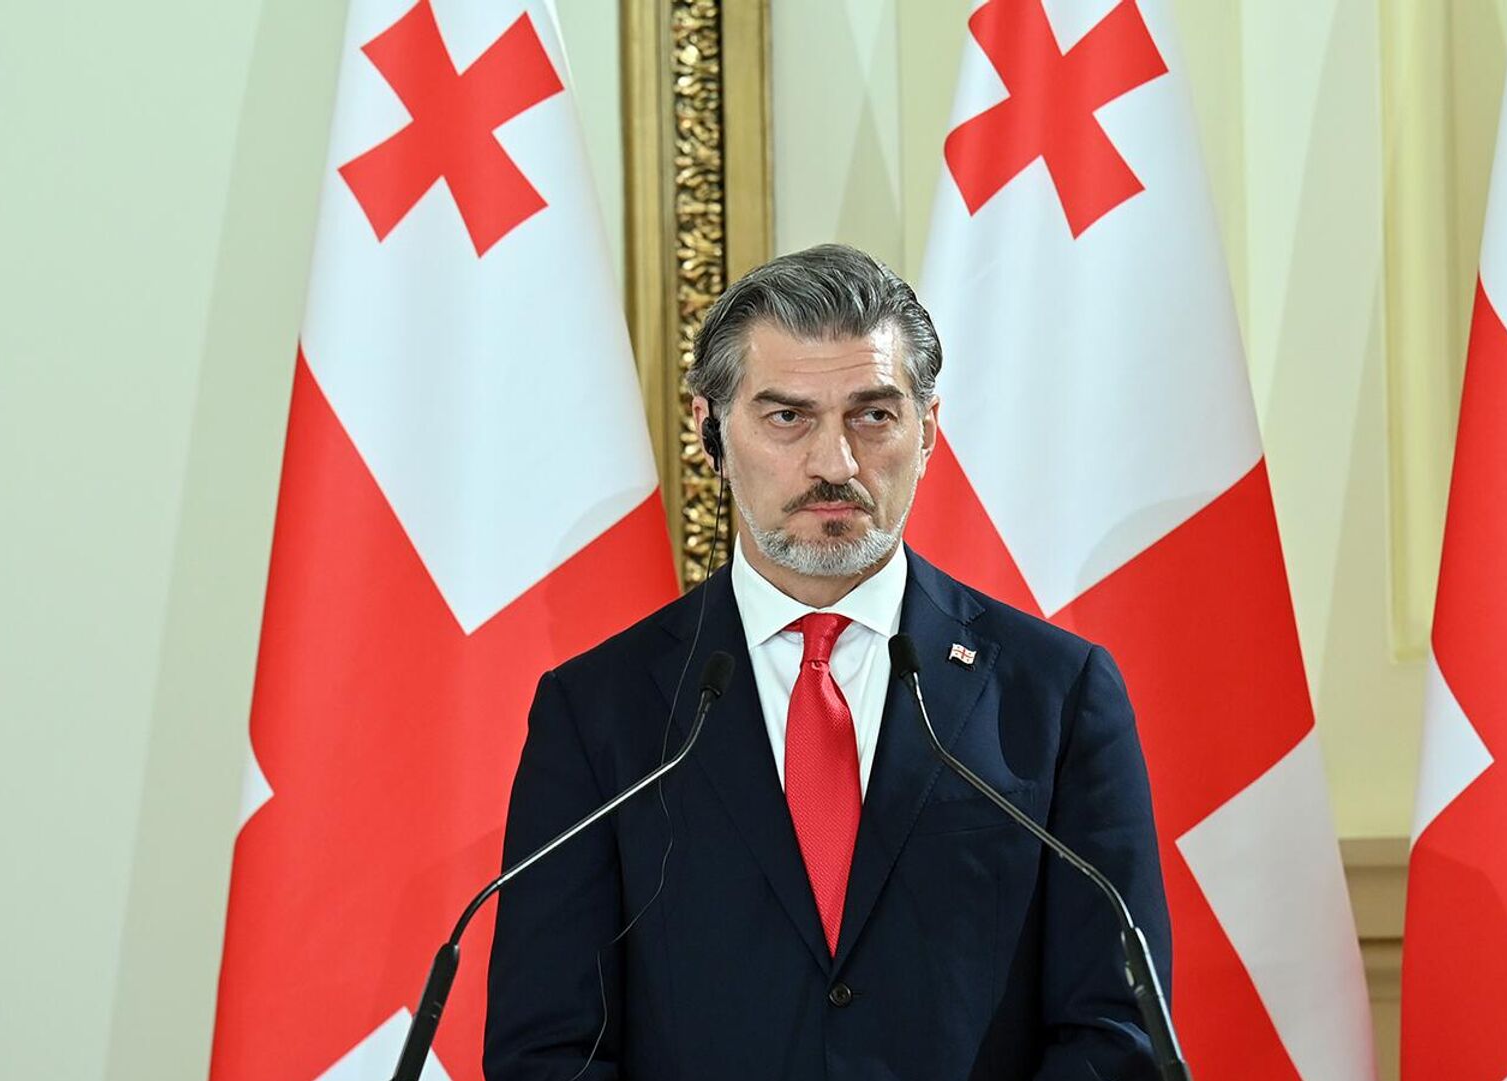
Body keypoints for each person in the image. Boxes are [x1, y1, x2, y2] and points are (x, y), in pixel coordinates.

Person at [484, 244, 1170, 1080]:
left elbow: (1116, 1035)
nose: (835, 464)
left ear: (928, 431)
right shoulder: (598, 710)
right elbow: (547, 1051)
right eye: (788, 417)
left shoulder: (1057, 694)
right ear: (709, 430)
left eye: (873, 415)